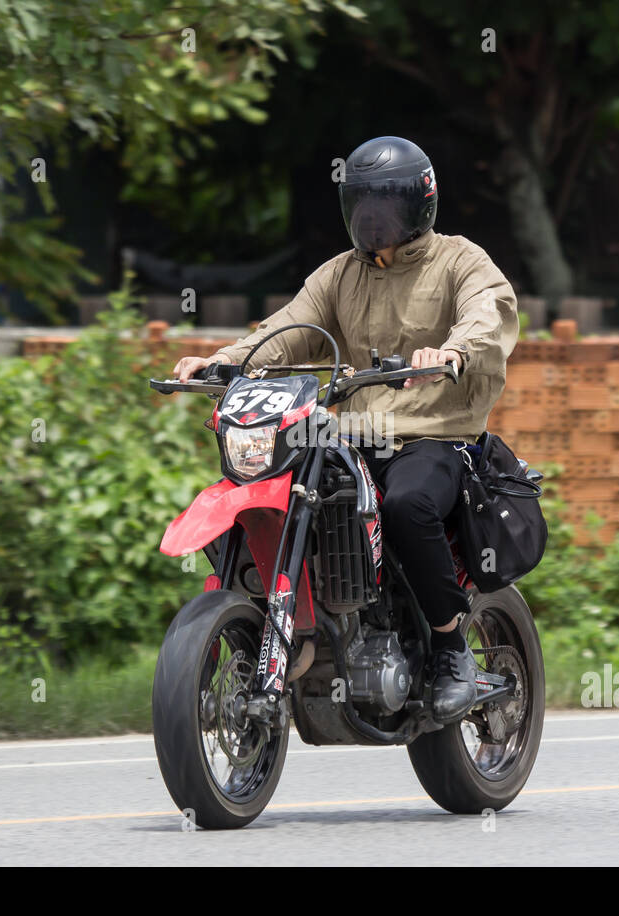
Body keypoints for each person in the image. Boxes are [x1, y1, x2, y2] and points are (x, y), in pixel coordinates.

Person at [173, 135, 518, 723]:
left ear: (421, 204)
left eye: (387, 206)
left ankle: (451, 648)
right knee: (289, 485)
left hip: (432, 435)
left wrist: (454, 352)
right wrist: (226, 360)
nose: (374, 220)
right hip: (352, 434)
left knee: (408, 503)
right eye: (363, 206)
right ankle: (293, 621)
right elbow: (288, 328)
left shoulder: (461, 261)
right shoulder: (339, 275)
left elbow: (490, 311)